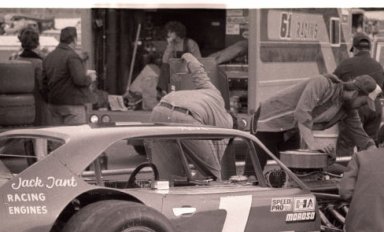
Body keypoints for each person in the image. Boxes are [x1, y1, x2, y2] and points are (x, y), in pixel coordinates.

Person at [250, 73, 382, 170]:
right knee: (254, 173)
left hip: (290, 129)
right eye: (364, 102)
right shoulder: (322, 84)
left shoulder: (348, 110)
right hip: (267, 122)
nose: (362, 107)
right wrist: (314, 145)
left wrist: (378, 157)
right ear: (355, 93)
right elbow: (302, 114)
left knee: (295, 172)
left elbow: (361, 136)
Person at [150, 52, 234, 180]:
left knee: (166, 175)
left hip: (159, 109)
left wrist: (188, 56)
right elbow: (214, 158)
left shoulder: (213, 92)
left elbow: (199, 74)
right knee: (212, 174)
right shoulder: (227, 125)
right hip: (186, 117)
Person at [334, 32, 384, 155]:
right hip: (374, 109)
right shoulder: (378, 66)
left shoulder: (346, 64)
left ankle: (344, 172)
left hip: (355, 108)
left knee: (346, 145)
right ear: (369, 49)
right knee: (369, 144)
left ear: (355, 49)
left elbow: (333, 85)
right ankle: (368, 172)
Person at [339, 144, 384, 232]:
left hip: (367, 218)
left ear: (379, 142)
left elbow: (345, 192)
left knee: (373, 216)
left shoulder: (360, 156)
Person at [42, 26, 96, 125]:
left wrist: (50, 100)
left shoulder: (49, 57)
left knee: (57, 138)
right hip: (72, 105)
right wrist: (90, 78)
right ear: (74, 39)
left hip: (54, 105)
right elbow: (79, 80)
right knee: (75, 138)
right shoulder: (72, 56)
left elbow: (43, 83)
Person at [12, 27, 48, 126]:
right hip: (37, 103)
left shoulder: (16, 60)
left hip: (18, 104)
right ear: (36, 42)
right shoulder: (39, 63)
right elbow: (42, 86)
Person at [156, 21, 201, 98]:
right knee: (165, 66)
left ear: (177, 32)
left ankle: (164, 91)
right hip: (177, 70)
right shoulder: (172, 44)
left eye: (171, 32)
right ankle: (163, 91)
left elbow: (198, 59)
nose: (168, 34)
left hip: (189, 69)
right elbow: (165, 60)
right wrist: (169, 45)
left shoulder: (190, 43)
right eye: (168, 32)